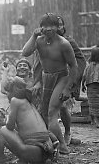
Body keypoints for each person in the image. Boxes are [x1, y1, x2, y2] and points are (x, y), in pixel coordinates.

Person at [22, 13, 78, 154]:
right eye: (45, 26)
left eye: (52, 26)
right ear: (40, 28)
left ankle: (63, 145)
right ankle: (53, 142)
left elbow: (73, 66)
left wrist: (67, 88)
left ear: (57, 27)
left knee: (52, 112)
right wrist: (34, 36)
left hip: (61, 77)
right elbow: (25, 52)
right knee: (44, 114)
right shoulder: (39, 41)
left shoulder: (64, 44)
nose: (48, 29)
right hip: (46, 77)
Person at [32, 15, 87, 145]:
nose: (59, 27)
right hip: (47, 79)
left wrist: (72, 84)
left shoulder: (67, 42)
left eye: (61, 25)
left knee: (62, 108)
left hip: (66, 78)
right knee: (46, 111)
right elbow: (39, 62)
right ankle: (52, 139)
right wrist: (38, 81)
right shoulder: (42, 41)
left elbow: (79, 62)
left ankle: (67, 133)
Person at [0, 77, 56, 164]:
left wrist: (6, 118)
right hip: (45, 153)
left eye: (7, 92)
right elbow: (21, 128)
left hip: (33, 153)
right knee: (8, 133)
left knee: (1, 130)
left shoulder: (15, 101)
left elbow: (10, 126)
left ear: (13, 90)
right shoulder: (28, 101)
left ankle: (1, 157)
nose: (7, 95)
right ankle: (5, 157)